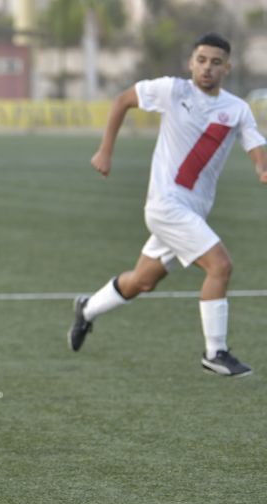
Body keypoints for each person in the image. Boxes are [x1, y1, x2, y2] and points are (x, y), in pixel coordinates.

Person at [69, 33, 267, 377]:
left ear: (227, 68)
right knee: (220, 266)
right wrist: (106, 150)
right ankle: (215, 352)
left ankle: (87, 310)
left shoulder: (236, 109)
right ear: (191, 62)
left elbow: (255, 144)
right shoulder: (171, 90)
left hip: (193, 211)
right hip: (166, 205)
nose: (207, 68)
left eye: (215, 62)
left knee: (142, 282)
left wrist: (262, 168)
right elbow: (121, 101)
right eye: (201, 60)